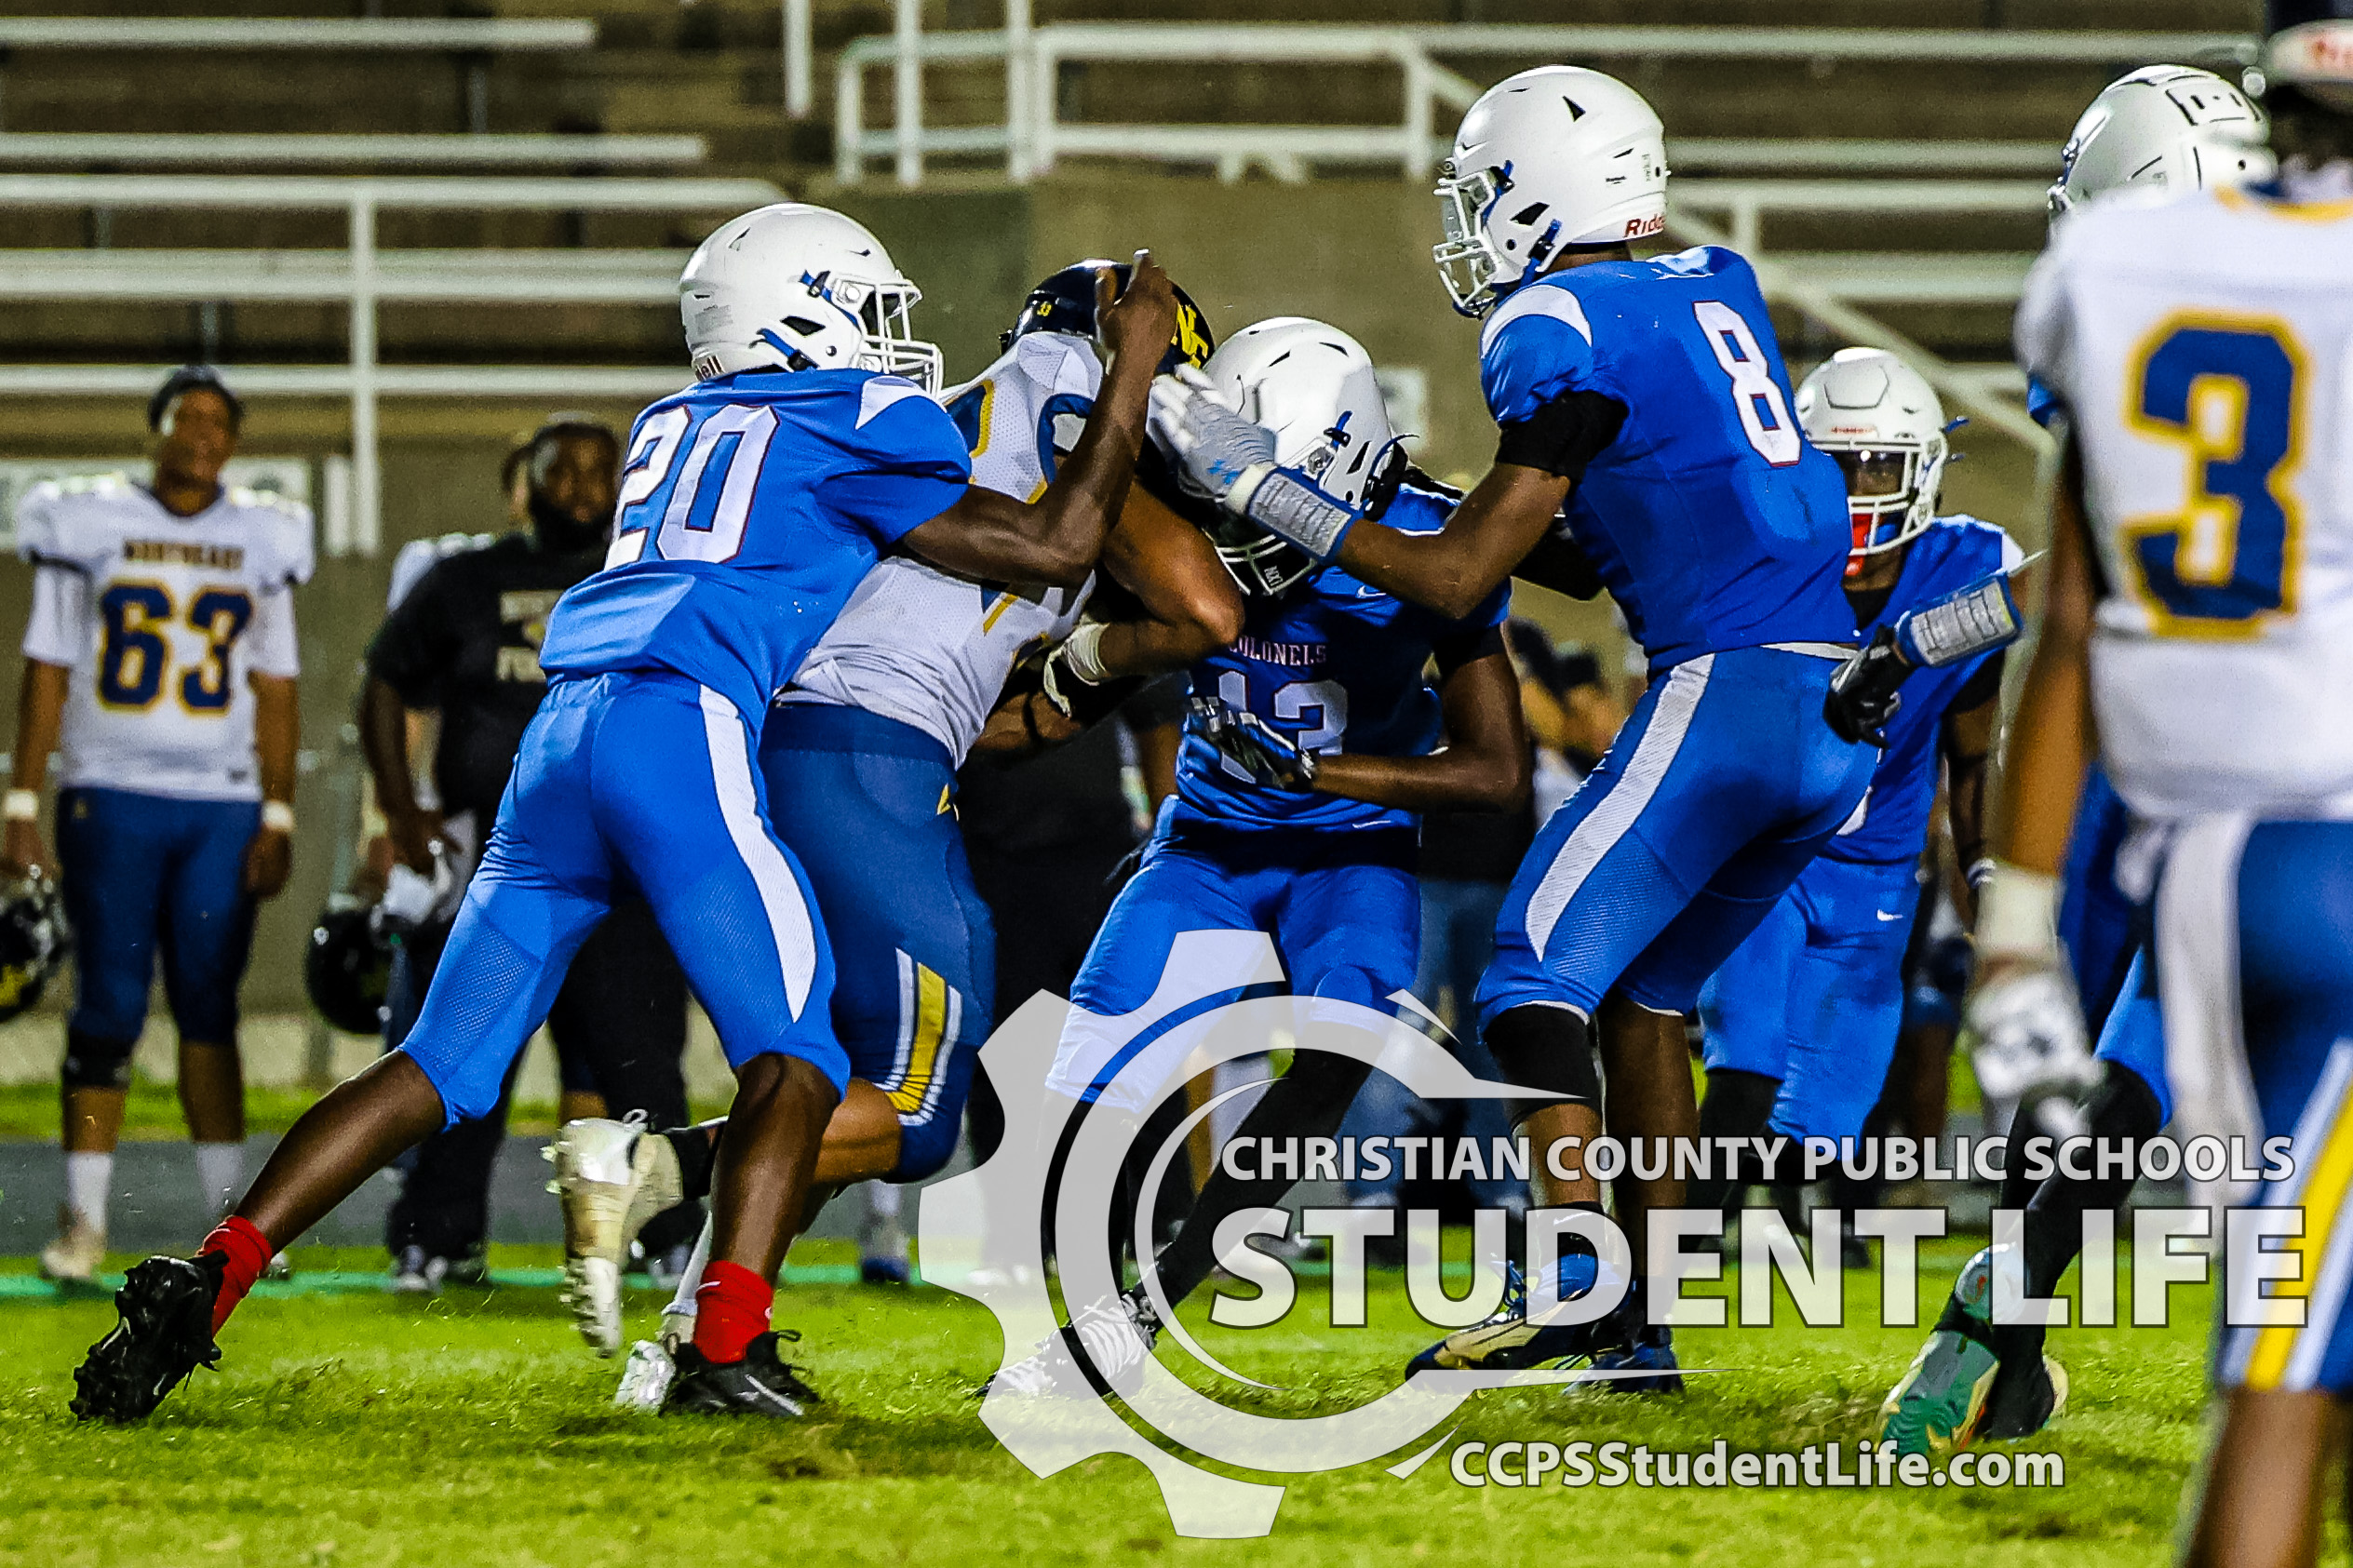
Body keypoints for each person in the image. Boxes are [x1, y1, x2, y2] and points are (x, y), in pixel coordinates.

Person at [67, 204, 1177, 1423]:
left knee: (436, 1061)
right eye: (864, 311)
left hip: (561, 734)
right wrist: (1125, 376)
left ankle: (213, 1269)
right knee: (800, 1061)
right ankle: (726, 1345)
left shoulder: (669, 419)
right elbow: (1055, 536)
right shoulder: (859, 416)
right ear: (803, 315)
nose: (884, 341)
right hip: (679, 728)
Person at [1153, 66, 1888, 1387]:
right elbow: (1586, 551)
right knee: (1651, 999)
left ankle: (1569, 1289)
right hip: (1831, 712)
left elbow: (1457, 580)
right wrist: (1405, 488)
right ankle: (1638, 1336)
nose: (1469, 222)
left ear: (1537, 197)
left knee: (1531, 975)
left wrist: (1268, 487)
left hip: (1723, 692)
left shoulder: (1553, 318)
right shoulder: (1710, 280)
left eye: (1483, 195)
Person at [546, 261, 1236, 1368]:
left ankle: (696, 1334)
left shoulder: (959, 411)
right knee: (914, 1113)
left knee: (817, 1074)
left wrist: (1065, 675)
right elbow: (1204, 605)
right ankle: (656, 1166)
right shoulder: (1077, 405)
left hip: (779, 746)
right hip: (867, 766)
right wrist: (1110, 648)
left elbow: (1002, 709)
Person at [990, 316, 1529, 1394]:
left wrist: (1318, 778)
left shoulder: (1420, 549)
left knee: (1338, 1052)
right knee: (1083, 1076)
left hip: (1350, 852)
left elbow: (1493, 770)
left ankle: (1147, 1308)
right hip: (1205, 840)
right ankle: (1082, 1310)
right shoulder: (1184, 511)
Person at [1978, 17, 2353, 1560]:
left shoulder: (2115, 275)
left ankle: (1988, 1326)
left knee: (2294, 1350)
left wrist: (2008, 931)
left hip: (2202, 879)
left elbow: (2064, 621)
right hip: (2338, 853)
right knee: (2280, 1389)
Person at [1878, 59, 2273, 1457]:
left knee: (2123, 1075)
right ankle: (2002, 1327)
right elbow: (2112, 563)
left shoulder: (2137, 331)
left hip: (2178, 749)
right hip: (2236, 756)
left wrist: (1933, 638)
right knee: (2127, 1078)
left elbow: (2093, 576)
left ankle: (1997, 1329)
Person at [359, 416, 696, 1293]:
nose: (583, 485)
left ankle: (657, 1234)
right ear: (522, 484)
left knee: (638, 1059)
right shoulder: (465, 578)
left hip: (623, 858)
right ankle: (436, 1237)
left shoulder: (651, 573)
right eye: (561, 469)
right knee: (462, 1053)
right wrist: (399, 810)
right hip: (499, 864)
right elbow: (386, 678)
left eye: (599, 468)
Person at [7, 366, 310, 1282]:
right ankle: (82, 1223)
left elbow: (277, 685)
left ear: (237, 441)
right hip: (113, 789)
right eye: (187, 418)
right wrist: (21, 801)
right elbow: (48, 664)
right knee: (107, 1008)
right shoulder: (87, 519)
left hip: (220, 802)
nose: (202, 434)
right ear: (155, 431)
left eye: (219, 421)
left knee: (209, 1008)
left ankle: (234, 1229)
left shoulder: (262, 534)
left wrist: (278, 804)